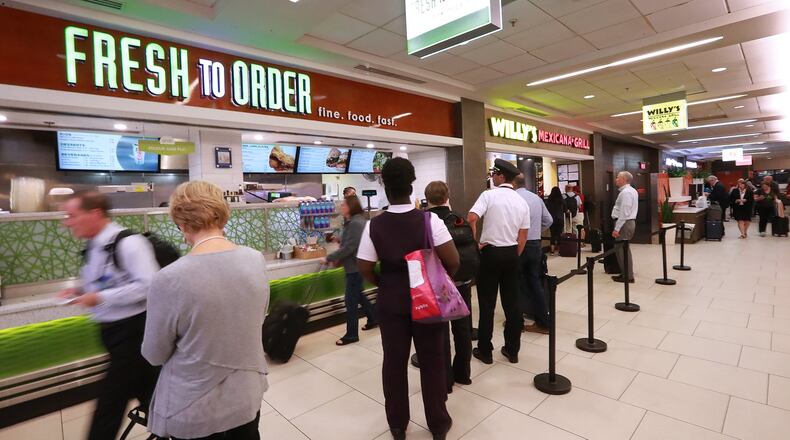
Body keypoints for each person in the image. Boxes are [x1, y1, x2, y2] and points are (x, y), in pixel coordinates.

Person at [142, 181, 269, 440]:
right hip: (246, 396)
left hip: (195, 408)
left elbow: (154, 353)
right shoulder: (255, 258)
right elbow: (258, 316)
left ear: (182, 222)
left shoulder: (169, 278)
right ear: (221, 213)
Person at [357, 158, 459, 440]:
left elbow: (364, 267)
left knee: (394, 362)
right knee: (433, 361)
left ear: (384, 185)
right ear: (412, 184)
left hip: (391, 303)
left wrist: (386, 283)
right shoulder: (430, 220)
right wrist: (436, 282)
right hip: (427, 301)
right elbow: (453, 260)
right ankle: (438, 424)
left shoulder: (374, 226)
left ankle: (398, 425)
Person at [58, 191, 160, 440]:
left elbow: (151, 285)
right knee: (149, 391)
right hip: (113, 333)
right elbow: (106, 280)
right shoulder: (95, 243)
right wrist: (81, 290)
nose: (67, 222)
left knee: (110, 404)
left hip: (133, 333)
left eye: (72, 215)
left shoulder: (129, 242)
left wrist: (101, 298)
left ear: (94, 213)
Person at [468, 158, 530, 365]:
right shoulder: (522, 202)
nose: (492, 177)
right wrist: (514, 253)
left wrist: (476, 243)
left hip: (490, 255)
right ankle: (512, 350)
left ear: (501, 176)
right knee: (512, 305)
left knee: (487, 304)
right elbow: (523, 235)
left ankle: (485, 351)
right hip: (511, 254)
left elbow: (471, 218)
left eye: (494, 173)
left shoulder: (489, 195)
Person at [423, 180, 474, 387]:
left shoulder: (425, 221)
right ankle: (463, 373)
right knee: (463, 329)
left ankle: (446, 378)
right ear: (447, 197)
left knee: (440, 332)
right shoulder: (459, 219)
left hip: (438, 286)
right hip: (462, 281)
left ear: (427, 199)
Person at [323, 195, 377, 345]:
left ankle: (352, 334)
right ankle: (374, 318)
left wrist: (329, 257)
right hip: (357, 265)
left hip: (354, 267)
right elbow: (352, 241)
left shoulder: (355, 223)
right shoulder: (356, 221)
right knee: (358, 295)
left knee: (351, 301)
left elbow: (349, 248)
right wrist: (338, 239)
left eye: (344, 205)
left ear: (351, 207)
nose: (341, 207)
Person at [514, 174, 553, 334]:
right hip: (535, 245)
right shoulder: (536, 198)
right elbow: (549, 220)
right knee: (535, 282)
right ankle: (543, 322)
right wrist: (535, 231)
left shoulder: (512, 198)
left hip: (518, 245)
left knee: (515, 282)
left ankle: (517, 321)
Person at [611, 171, 639, 283]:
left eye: (618, 177)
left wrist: (617, 229)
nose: (616, 179)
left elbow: (624, 213)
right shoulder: (630, 191)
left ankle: (628, 276)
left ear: (624, 179)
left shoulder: (626, 193)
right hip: (626, 223)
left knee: (622, 251)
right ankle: (625, 273)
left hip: (624, 224)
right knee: (623, 250)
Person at [545, 187, 566, 256]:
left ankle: (552, 251)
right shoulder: (561, 199)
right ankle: (560, 251)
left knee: (553, 235)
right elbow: (565, 209)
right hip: (560, 219)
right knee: (560, 234)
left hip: (552, 219)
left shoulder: (549, 199)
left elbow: (546, 209)